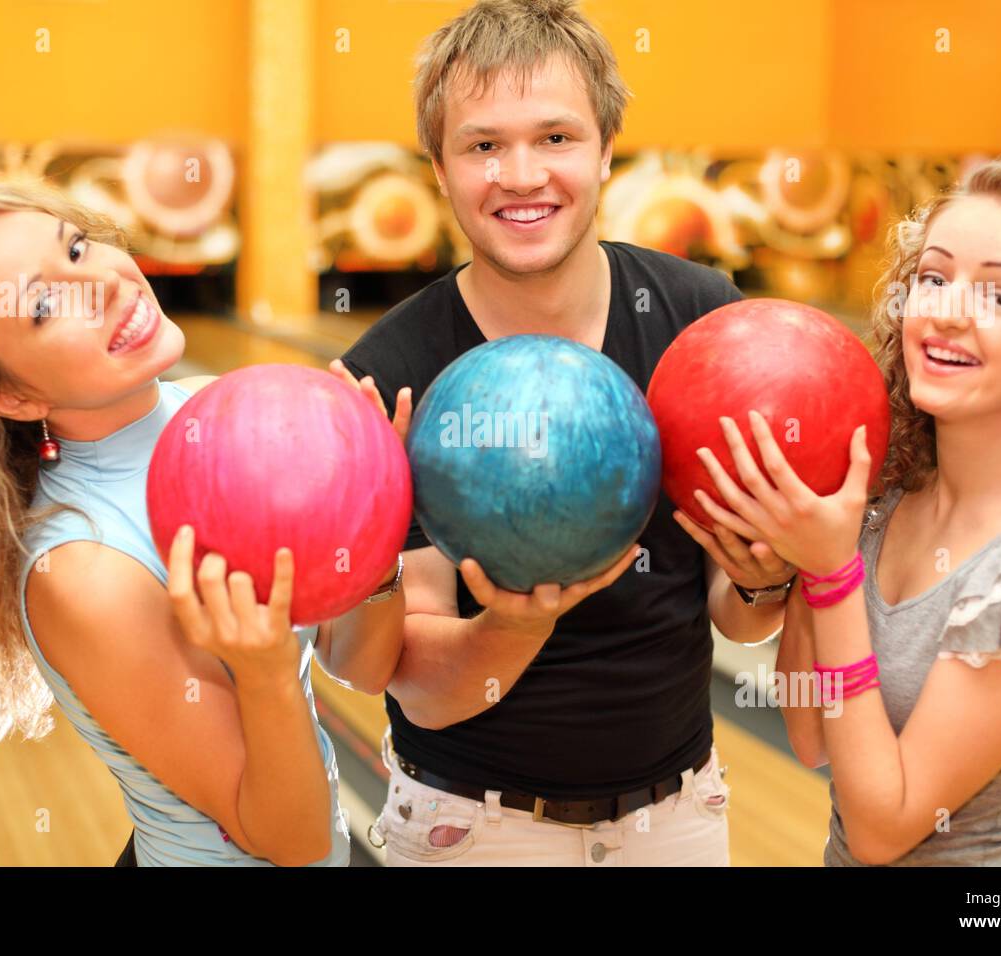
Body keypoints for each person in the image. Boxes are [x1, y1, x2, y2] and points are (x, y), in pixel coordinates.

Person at [338, 0, 795, 867]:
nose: (521, 174)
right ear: (438, 167)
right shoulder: (395, 370)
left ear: (607, 149)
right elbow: (415, 687)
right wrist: (512, 626)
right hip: (471, 827)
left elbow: (736, 620)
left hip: (681, 813)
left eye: (556, 138)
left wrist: (766, 580)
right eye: (482, 145)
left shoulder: (700, 321)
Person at [0, 179, 410, 866]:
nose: (104, 287)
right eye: (44, 305)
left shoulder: (219, 407)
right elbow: (288, 841)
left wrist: (380, 528)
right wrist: (265, 674)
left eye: (79, 249)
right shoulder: (84, 569)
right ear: (12, 394)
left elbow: (361, 664)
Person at [686, 157, 1001, 865]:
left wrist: (832, 572)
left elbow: (884, 827)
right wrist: (804, 563)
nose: (946, 311)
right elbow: (809, 738)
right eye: (933, 278)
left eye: (999, 296)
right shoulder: (885, 497)